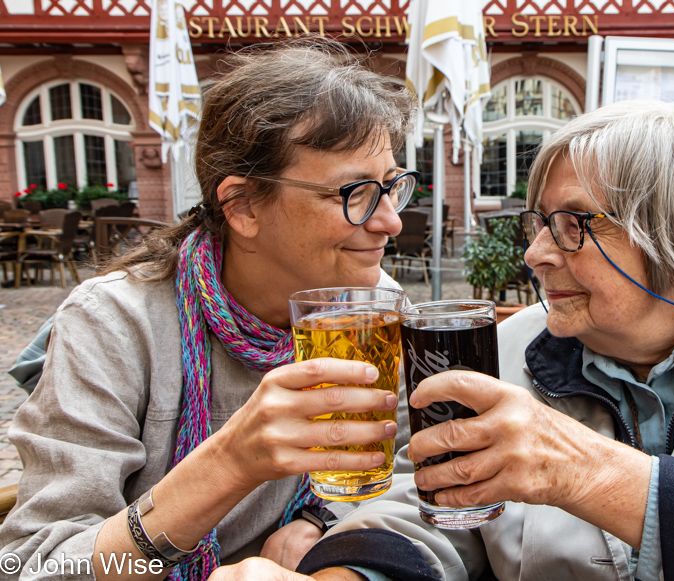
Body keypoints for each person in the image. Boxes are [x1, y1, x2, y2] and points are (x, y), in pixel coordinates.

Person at [213, 99, 674, 581]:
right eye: (536, 224)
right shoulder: (513, 346)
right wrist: (351, 570)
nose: (534, 255)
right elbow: (437, 506)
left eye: (574, 226)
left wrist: (594, 475)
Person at [0, 38, 419, 580]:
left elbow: (413, 470)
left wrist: (324, 519)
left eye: (390, 188)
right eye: (355, 192)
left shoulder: (377, 310)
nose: (390, 222)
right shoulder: (114, 324)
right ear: (243, 206)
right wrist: (229, 464)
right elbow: (32, 564)